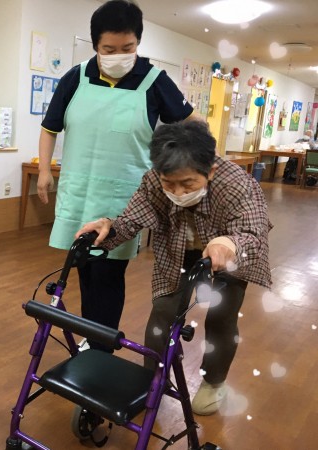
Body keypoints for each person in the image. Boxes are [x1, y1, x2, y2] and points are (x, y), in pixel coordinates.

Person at [76, 120, 272, 415]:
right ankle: (152, 380)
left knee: (221, 317)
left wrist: (229, 244)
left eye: (188, 184)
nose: (178, 193)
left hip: (228, 254)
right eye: (169, 184)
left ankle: (214, 381)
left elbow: (253, 233)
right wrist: (108, 227)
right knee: (162, 314)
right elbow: (131, 219)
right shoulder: (155, 179)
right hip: (179, 252)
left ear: (211, 171)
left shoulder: (237, 184)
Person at [37, 0, 195, 352]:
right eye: (109, 49)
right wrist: (45, 170)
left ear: (138, 42)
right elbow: (49, 127)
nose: (119, 56)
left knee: (108, 275)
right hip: (80, 192)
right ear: (96, 45)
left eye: (128, 47)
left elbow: (192, 123)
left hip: (123, 200)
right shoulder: (75, 77)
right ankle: (93, 339)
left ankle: (101, 347)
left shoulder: (154, 81)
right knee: (83, 267)